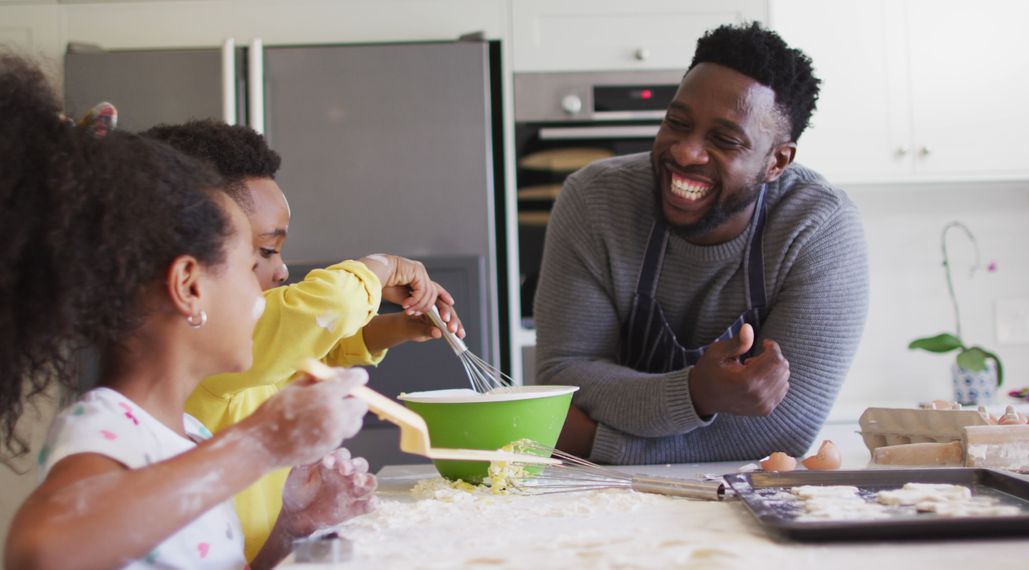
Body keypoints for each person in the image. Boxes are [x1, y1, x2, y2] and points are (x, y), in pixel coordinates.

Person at [1, 54, 374, 569]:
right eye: (250, 266)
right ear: (188, 287)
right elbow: (45, 551)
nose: (263, 289)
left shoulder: (193, 439)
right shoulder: (107, 431)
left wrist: (290, 528)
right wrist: (260, 443)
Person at [534, 22, 870, 465]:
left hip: (737, 500)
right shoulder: (596, 201)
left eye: (725, 140)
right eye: (678, 123)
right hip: (594, 494)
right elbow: (563, 379)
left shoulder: (818, 229)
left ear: (776, 162)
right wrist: (695, 393)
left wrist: (595, 441)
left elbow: (781, 431)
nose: (686, 152)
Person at [143, 119, 465, 559]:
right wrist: (380, 267)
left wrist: (392, 328)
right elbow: (316, 314)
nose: (282, 272)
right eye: (263, 252)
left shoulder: (228, 354)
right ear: (188, 278)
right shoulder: (199, 347)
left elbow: (291, 358)